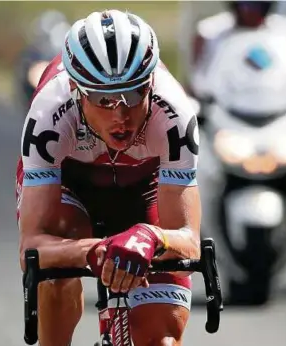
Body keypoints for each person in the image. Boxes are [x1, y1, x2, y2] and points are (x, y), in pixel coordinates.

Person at [16, 9, 201, 346]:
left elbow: (188, 242)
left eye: (133, 95)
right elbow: (33, 245)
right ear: (75, 88)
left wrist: (150, 237)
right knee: (57, 272)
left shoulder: (174, 112)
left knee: (160, 341)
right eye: (103, 99)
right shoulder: (49, 113)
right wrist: (94, 252)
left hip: (145, 189)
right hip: (72, 187)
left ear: (150, 84)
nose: (121, 115)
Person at [187, 0, 286, 99]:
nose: (252, 11)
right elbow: (197, 78)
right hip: (224, 113)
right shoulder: (210, 31)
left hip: (282, 108)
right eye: (247, 5)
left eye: (259, 6)